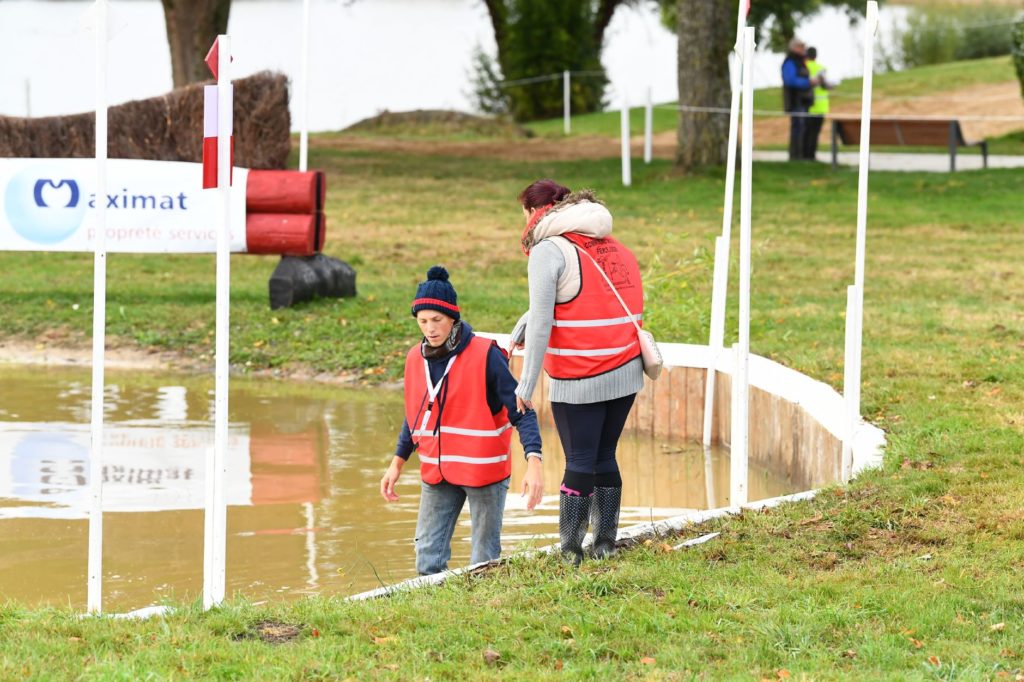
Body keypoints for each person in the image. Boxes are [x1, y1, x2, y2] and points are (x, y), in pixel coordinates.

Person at [510, 179, 645, 565]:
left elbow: (542, 323)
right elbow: (587, 300)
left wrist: (527, 383)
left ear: (534, 213)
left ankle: (570, 550)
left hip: (580, 375)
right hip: (625, 370)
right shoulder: (614, 248)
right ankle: (604, 543)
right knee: (605, 455)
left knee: (579, 461)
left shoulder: (548, 250)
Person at [380, 266, 544, 576]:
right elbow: (417, 414)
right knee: (427, 559)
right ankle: (435, 618)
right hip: (438, 473)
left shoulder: (486, 356)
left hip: (485, 475)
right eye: (423, 321)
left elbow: (523, 411)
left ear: (453, 318)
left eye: (437, 320)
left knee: (484, 562)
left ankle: (483, 615)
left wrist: (534, 461)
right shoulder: (415, 358)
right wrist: (397, 462)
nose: (430, 328)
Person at [781, 38, 818, 161]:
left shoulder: (801, 61)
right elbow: (790, 80)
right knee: (798, 128)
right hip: (795, 101)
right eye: (801, 47)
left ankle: (803, 156)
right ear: (794, 48)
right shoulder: (790, 62)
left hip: (804, 101)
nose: (803, 49)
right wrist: (807, 82)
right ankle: (795, 156)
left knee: (803, 128)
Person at [803, 46, 831, 160]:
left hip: (807, 106)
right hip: (820, 107)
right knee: (814, 133)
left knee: (806, 133)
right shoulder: (821, 68)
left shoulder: (804, 67)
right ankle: (812, 155)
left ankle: (804, 155)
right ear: (816, 55)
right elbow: (826, 85)